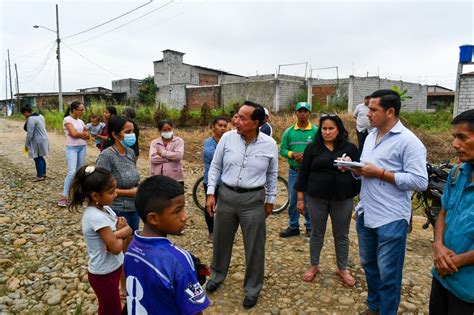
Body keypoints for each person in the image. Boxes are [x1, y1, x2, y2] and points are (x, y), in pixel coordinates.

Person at [343, 89, 428, 315]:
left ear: (390, 112)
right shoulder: (371, 136)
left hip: (391, 218)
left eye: (373, 109)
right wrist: (353, 168)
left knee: (389, 273)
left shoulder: (409, 142)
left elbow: (420, 181)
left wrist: (380, 173)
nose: (367, 114)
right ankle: (374, 306)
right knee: (369, 265)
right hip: (366, 212)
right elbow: (366, 171)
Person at [205, 100, 278, 309]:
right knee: (221, 239)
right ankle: (217, 276)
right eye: (236, 116)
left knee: (255, 246)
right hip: (226, 196)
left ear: (256, 122)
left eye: (242, 118)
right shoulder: (227, 138)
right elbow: (215, 167)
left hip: (253, 200)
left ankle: (253, 288)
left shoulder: (269, 144)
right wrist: (211, 193)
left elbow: (272, 175)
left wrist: (270, 200)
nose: (236, 121)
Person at [124, 175, 210, 314]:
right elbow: (194, 310)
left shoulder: (132, 248)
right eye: (177, 211)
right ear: (153, 218)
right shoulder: (178, 260)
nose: (185, 216)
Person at [295, 114, 360, 285]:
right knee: (317, 232)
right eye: (324, 128)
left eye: (331, 128)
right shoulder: (312, 148)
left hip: (342, 198)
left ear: (339, 130)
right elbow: (303, 174)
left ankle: (342, 268)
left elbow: (360, 173)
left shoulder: (350, 148)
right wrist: (300, 198)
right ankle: (314, 265)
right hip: (317, 198)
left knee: (342, 234)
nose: (327, 132)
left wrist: (351, 165)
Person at [69, 164, 132, 315]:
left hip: (112, 268)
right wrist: (121, 233)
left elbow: (128, 230)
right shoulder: (96, 217)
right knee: (112, 310)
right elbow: (116, 248)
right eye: (111, 192)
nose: (115, 194)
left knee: (109, 306)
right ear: (95, 196)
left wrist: (116, 234)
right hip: (104, 274)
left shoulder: (106, 209)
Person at [429, 109, 474, 314]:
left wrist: (456, 261)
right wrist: (438, 246)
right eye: (454, 137)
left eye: (462, 137)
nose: (455, 144)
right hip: (442, 277)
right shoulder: (457, 173)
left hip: (468, 289)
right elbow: (444, 213)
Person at [279, 101, 317, 238]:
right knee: (293, 198)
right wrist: (293, 154)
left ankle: (310, 226)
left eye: (305, 111)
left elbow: (320, 149)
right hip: (294, 171)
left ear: (309, 113)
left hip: (311, 172)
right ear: (296, 113)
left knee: (309, 199)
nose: (302, 114)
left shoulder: (316, 131)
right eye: (300, 111)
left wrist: (307, 156)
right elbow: (282, 149)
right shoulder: (289, 132)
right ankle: (294, 226)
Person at [96, 116, 140, 232]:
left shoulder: (130, 152)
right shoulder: (106, 156)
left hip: (134, 208)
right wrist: (128, 193)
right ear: (115, 135)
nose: (132, 134)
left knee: (131, 244)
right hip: (117, 210)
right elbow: (100, 187)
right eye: (128, 132)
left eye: (133, 131)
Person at [58, 101, 90, 207]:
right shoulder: (67, 119)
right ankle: (64, 196)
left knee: (80, 172)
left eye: (83, 109)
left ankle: (79, 194)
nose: (82, 111)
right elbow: (73, 133)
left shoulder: (81, 121)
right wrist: (82, 135)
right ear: (74, 110)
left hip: (82, 147)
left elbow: (87, 135)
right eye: (81, 109)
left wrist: (81, 135)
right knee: (72, 172)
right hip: (72, 148)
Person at [202, 116, 228, 243]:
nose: (222, 128)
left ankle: (226, 232)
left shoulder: (230, 141)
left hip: (227, 182)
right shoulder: (208, 142)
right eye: (220, 125)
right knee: (210, 206)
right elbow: (213, 157)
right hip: (211, 181)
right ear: (212, 127)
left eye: (225, 126)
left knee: (227, 209)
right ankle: (211, 232)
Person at [149, 119, 185, 185]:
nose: (167, 131)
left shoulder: (179, 141)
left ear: (172, 128)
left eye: (169, 129)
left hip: (175, 178)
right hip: (157, 177)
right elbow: (153, 159)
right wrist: (171, 158)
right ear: (160, 131)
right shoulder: (154, 143)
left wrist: (163, 153)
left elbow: (178, 156)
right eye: (164, 130)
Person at [20, 105, 49, 181]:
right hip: (44, 139)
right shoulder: (40, 116)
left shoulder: (31, 119)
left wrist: (26, 144)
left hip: (37, 140)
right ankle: (43, 173)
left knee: (37, 158)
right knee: (41, 156)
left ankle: (40, 176)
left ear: (26, 112)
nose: (24, 116)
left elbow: (30, 134)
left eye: (24, 114)